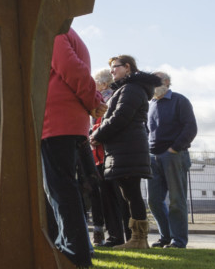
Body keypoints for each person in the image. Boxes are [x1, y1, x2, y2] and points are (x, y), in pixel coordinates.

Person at [41, 28, 106, 268]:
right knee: (62, 189)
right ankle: (69, 246)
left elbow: (70, 68)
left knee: (61, 190)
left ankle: (74, 253)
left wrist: (95, 100)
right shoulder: (68, 33)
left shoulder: (56, 31)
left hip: (56, 120)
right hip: (68, 120)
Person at [90, 55, 162, 250]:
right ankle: (136, 239)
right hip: (124, 148)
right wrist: (96, 133)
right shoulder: (127, 88)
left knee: (131, 194)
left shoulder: (131, 89)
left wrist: (97, 135)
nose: (112, 71)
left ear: (127, 67)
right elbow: (112, 117)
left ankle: (138, 240)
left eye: (115, 67)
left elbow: (120, 117)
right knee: (129, 194)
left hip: (128, 148)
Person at [147, 71, 198, 249]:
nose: (152, 85)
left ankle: (179, 241)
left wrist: (174, 149)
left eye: (155, 81)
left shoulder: (179, 100)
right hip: (153, 158)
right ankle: (165, 237)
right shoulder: (150, 104)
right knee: (153, 200)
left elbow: (191, 128)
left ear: (167, 82)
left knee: (176, 201)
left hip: (174, 156)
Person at [90, 69, 130, 247]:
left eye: (96, 82)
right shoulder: (95, 101)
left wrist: (96, 134)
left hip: (111, 154)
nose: (93, 86)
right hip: (98, 156)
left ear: (104, 84)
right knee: (106, 198)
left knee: (119, 198)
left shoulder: (111, 99)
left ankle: (128, 236)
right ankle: (114, 236)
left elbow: (112, 124)